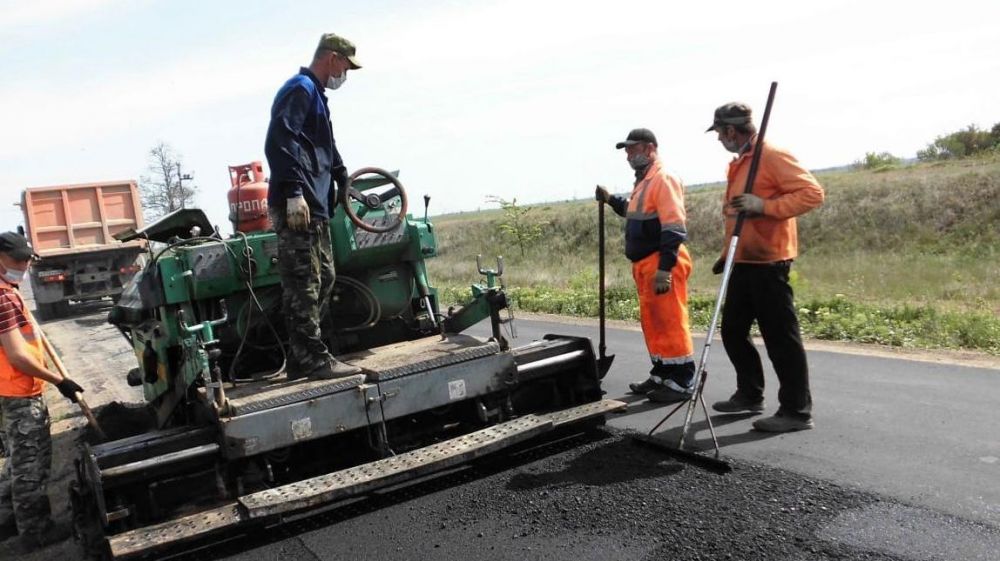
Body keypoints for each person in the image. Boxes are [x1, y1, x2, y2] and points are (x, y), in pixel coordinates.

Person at [705, 102, 824, 432]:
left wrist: (766, 206)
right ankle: (750, 394)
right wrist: (727, 253)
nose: (717, 139)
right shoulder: (742, 162)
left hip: (769, 263)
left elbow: (812, 194)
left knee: (780, 339)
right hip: (743, 260)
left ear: (730, 130)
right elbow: (737, 215)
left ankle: (796, 411)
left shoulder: (769, 155)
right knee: (732, 331)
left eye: (718, 132)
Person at [264, 33, 363, 380]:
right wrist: (292, 191)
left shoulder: (317, 97)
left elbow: (324, 145)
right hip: (298, 204)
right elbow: (280, 139)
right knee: (304, 284)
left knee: (324, 279)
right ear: (332, 58)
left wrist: (341, 175)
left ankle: (301, 357)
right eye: (346, 66)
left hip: (315, 205)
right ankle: (313, 360)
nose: (345, 74)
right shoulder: (300, 88)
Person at [596, 128, 696, 404]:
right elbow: (634, 211)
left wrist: (665, 268)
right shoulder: (644, 182)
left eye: (633, 149)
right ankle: (662, 373)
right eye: (627, 150)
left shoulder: (663, 179)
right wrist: (611, 199)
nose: (628, 155)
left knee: (671, 320)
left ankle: (682, 380)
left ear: (650, 148)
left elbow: (674, 227)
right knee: (654, 322)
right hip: (644, 264)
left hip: (662, 262)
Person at [0, 232, 83, 553]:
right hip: (19, 393)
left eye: (27, 259)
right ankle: (35, 531)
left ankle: (9, 519)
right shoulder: (3, 298)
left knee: (16, 461)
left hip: (8, 391)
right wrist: (58, 380)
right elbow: (19, 355)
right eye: (18, 259)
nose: (24, 264)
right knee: (29, 467)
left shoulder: (8, 291)